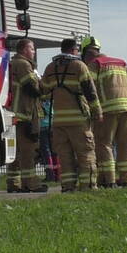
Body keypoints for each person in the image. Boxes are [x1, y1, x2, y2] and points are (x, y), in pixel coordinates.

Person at [41, 38, 103, 192]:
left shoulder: (50, 67)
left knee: (65, 157)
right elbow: (90, 91)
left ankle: (68, 187)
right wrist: (97, 111)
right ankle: (88, 186)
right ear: (73, 50)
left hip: (58, 121)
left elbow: (44, 92)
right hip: (78, 119)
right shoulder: (79, 66)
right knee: (85, 154)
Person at [81, 36, 127, 187]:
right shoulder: (121, 63)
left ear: (86, 54)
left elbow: (89, 88)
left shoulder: (94, 65)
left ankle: (109, 180)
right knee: (125, 144)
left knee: (104, 143)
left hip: (107, 110)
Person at [7, 38, 48, 193]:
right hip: (25, 114)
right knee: (28, 151)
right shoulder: (23, 65)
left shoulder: (12, 64)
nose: (34, 51)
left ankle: (13, 183)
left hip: (14, 114)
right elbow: (33, 88)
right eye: (32, 48)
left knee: (15, 152)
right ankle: (31, 184)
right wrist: (43, 83)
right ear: (24, 50)